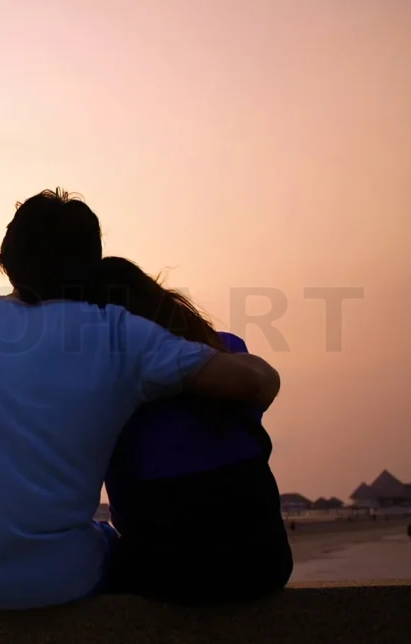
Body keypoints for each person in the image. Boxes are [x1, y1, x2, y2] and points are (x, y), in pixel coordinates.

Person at [0, 189, 282, 609]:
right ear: (91, 264)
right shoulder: (119, 333)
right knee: (106, 538)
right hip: (57, 580)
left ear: (6, 262)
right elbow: (258, 382)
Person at [88, 256, 292, 603]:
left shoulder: (111, 375)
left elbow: (123, 504)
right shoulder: (227, 348)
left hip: (171, 569)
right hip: (265, 560)